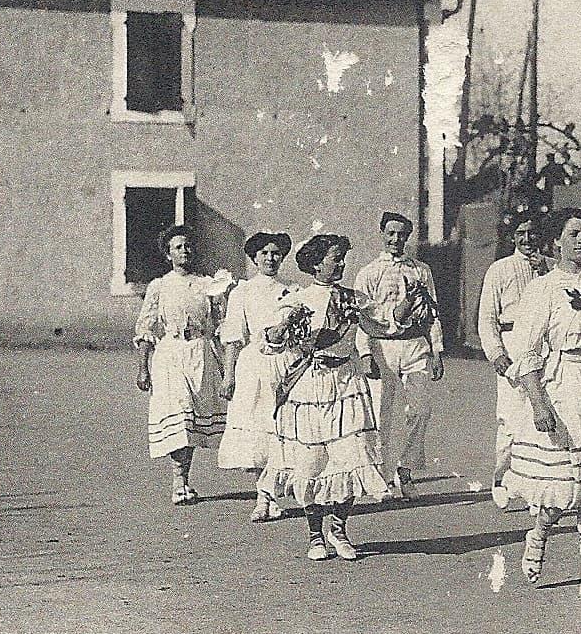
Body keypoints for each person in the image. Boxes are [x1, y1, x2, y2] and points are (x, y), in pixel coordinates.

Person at [508, 208, 581, 603]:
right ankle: (539, 532)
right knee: (561, 488)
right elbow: (525, 351)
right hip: (562, 387)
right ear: (557, 240)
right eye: (574, 233)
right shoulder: (542, 288)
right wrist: (538, 402)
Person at [260, 234, 400, 562]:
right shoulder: (297, 299)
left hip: (346, 384)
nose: (341, 264)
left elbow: (384, 325)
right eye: (335, 258)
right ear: (316, 262)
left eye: (342, 258)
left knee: (352, 456)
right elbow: (272, 342)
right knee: (310, 463)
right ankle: (315, 535)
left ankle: (338, 529)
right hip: (308, 385)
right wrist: (282, 329)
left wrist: (409, 309)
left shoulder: (353, 299)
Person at [353, 211, 445, 500]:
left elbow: (432, 312)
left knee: (420, 410)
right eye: (391, 233)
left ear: (408, 236)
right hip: (382, 348)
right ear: (382, 233)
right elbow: (363, 318)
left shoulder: (421, 270)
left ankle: (405, 471)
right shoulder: (369, 272)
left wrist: (437, 351)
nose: (396, 239)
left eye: (402, 234)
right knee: (380, 416)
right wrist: (365, 353)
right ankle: (379, 474)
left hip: (415, 347)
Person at [134, 225, 226, 504]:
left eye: (188, 246)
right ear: (168, 254)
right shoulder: (159, 286)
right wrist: (143, 367)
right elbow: (146, 328)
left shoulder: (208, 285)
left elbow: (222, 324)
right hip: (170, 355)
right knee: (180, 414)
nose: (184, 251)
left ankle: (185, 479)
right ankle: (179, 481)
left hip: (200, 353)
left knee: (193, 420)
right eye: (178, 247)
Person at [217, 230, 298, 521]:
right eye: (264, 253)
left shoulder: (292, 290)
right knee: (258, 431)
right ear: (254, 257)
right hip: (253, 365)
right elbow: (233, 336)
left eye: (275, 253)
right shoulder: (242, 291)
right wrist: (229, 375)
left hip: (285, 363)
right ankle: (263, 496)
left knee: (281, 429)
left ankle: (271, 495)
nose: (270, 258)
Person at [478, 211, 552, 508]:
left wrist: (547, 271)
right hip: (511, 344)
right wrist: (496, 352)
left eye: (532, 233)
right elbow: (487, 318)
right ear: (512, 237)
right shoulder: (499, 269)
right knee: (510, 419)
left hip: (544, 346)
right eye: (521, 233)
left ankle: (535, 485)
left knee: (541, 415)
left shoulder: (551, 267)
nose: (527, 239)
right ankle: (501, 477)